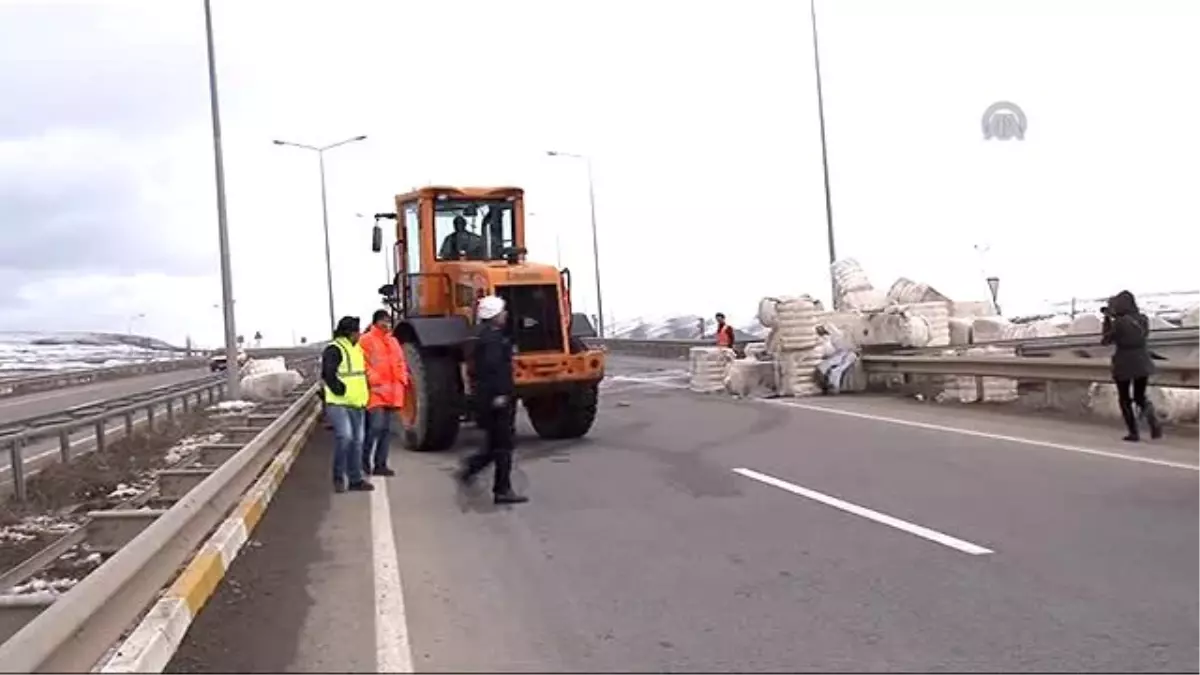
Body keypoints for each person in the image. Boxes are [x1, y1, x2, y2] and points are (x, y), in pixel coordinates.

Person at [456, 295, 528, 505]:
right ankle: (502, 490)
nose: (505, 315)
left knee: (494, 444)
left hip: (484, 398)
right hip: (497, 399)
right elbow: (493, 370)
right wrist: (500, 396)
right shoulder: (493, 340)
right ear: (495, 315)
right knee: (504, 446)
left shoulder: (478, 336)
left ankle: (471, 467)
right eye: (502, 312)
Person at [321, 316, 374, 493]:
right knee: (345, 437)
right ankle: (338, 477)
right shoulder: (334, 349)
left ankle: (355, 479)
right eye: (357, 332)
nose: (359, 335)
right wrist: (340, 390)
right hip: (339, 402)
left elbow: (360, 374)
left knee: (357, 442)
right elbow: (328, 373)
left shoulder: (356, 349)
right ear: (350, 333)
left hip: (357, 402)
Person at [1101, 290, 1162, 442]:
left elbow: (1106, 340)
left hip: (1124, 362)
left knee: (1124, 398)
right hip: (1143, 360)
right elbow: (1142, 336)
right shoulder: (1143, 319)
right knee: (1140, 396)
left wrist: (1107, 320)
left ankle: (1133, 433)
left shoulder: (1119, 323)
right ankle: (1152, 419)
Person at [360, 309, 409, 477]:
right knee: (375, 428)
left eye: (388, 321)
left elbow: (401, 362)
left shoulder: (393, 341)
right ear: (376, 322)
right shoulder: (366, 340)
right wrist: (373, 379)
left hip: (392, 393)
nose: (387, 325)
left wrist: (403, 379)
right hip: (376, 393)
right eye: (384, 321)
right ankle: (364, 461)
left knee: (386, 431)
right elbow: (363, 363)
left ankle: (380, 464)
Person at [814, 323, 858, 395]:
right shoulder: (831, 337)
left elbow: (832, 350)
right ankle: (832, 385)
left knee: (837, 368)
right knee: (835, 367)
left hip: (844, 353)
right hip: (842, 353)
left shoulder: (833, 336)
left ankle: (833, 386)